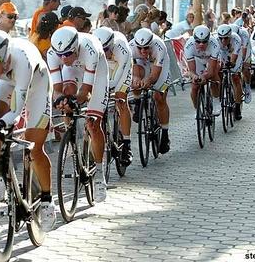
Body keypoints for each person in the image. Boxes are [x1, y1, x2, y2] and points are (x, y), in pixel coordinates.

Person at [0, 29, 55, 231]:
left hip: (36, 84)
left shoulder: (22, 59)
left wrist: (2, 123)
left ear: (5, 56)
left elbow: (16, 112)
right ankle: (0, 175)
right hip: (7, 82)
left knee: (34, 146)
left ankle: (47, 201)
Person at [47, 26, 109, 203]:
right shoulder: (54, 54)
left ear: (76, 48)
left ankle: (99, 176)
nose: (63, 58)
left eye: (67, 53)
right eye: (61, 55)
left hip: (97, 73)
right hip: (74, 70)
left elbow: (86, 92)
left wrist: (77, 101)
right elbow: (57, 90)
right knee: (67, 93)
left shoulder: (89, 50)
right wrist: (62, 101)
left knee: (92, 124)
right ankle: (71, 134)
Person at [93, 27, 133, 165]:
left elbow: (115, 81)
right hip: (106, 64)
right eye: (101, 50)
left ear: (111, 45)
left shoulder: (121, 49)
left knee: (121, 99)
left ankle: (127, 143)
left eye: (105, 50)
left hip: (121, 64)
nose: (103, 52)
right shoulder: (95, 49)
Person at [129, 28, 171, 154]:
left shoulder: (159, 47)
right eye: (140, 48)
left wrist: (149, 80)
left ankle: (165, 133)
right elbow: (133, 67)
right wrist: (136, 78)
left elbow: (155, 75)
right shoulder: (130, 47)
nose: (143, 51)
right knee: (135, 82)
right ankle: (137, 102)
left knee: (159, 96)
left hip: (159, 67)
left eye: (146, 48)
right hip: (141, 64)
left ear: (151, 44)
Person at [184, 25, 221, 115]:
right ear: (194, 39)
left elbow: (211, 71)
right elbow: (192, 71)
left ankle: (216, 102)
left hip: (210, 60)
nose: (201, 44)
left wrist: (204, 76)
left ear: (208, 40)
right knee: (194, 86)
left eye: (204, 42)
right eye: (198, 41)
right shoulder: (189, 46)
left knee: (214, 77)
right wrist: (195, 77)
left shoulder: (214, 44)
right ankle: (197, 110)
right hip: (198, 60)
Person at [217, 24, 243, 120]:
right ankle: (220, 95)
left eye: (226, 38)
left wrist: (231, 63)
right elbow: (215, 57)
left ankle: (237, 106)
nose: (223, 41)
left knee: (235, 77)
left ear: (230, 36)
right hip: (222, 53)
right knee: (218, 71)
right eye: (221, 38)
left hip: (234, 53)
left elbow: (234, 57)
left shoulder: (236, 39)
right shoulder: (216, 40)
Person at [229, 23, 252, 104]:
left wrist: (242, 63)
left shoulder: (244, 34)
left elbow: (244, 50)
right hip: (234, 48)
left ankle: (248, 87)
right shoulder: (230, 36)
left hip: (244, 48)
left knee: (245, 68)